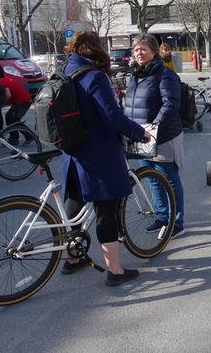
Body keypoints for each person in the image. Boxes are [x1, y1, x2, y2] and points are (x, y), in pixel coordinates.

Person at [60, 32, 150, 286]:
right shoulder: (93, 76)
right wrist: (139, 132)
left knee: (74, 205)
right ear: (98, 49)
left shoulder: (65, 69)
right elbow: (112, 116)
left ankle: (72, 257)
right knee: (106, 211)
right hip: (97, 154)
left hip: (72, 152)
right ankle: (115, 271)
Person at [123, 33, 186, 239]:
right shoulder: (135, 75)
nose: (139, 53)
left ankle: (177, 222)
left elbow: (170, 105)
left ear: (154, 51)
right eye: (136, 50)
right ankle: (162, 217)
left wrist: (153, 128)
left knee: (169, 178)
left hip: (162, 136)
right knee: (151, 179)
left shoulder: (165, 74)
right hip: (140, 135)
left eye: (143, 49)